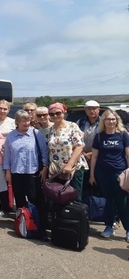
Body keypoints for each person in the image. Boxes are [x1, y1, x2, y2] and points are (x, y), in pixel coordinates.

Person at [3, 110, 50, 240]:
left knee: (35, 200)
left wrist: (45, 167)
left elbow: (44, 151)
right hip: (16, 172)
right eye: (23, 121)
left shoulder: (35, 134)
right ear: (17, 122)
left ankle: (38, 227)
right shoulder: (11, 136)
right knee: (19, 201)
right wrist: (7, 171)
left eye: (28, 120)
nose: (26, 123)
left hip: (32, 172)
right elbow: (7, 155)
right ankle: (22, 225)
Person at [89, 110, 129, 242]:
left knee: (122, 202)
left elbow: (128, 154)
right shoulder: (99, 136)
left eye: (113, 119)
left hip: (119, 173)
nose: (111, 121)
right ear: (103, 121)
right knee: (108, 201)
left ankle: (128, 229)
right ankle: (109, 226)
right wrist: (92, 175)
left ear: (117, 120)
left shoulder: (123, 135)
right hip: (102, 173)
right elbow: (94, 157)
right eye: (108, 119)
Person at [45, 102, 86, 201]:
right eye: (52, 114)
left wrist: (69, 165)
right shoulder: (51, 130)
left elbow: (79, 146)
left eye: (58, 113)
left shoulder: (72, 126)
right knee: (59, 197)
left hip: (72, 169)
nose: (55, 116)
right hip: (56, 170)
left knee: (74, 197)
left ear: (64, 112)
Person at [0, 99, 15, 216]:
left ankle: (13, 206)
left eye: (5, 109)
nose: (2, 111)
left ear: (8, 110)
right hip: (0, 156)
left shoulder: (13, 122)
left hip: (13, 155)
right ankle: (3, 206)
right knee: (2, 182)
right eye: (0, 108)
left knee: (13, 181)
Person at [76, 100, 101, 192]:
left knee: (98, 182)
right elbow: (75, 139)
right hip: (82, 156)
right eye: (89, 109)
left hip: (99, 157)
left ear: (98, 110)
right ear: (85, 110)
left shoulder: (103, 122)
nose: (92, 111)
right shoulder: (80, 122)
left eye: (94, 108)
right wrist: (83, 153)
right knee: (85, 183)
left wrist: (92, 154)